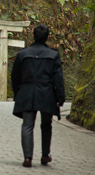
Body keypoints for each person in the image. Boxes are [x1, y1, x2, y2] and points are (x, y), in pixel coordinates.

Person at [11, 24, 65, 168]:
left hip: (27, 92)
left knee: (27, 125)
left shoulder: (22, 54)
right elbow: (58, 78)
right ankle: (45, 155)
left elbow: (15, 76)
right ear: (47, 37)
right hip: (47, 93)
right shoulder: (53, 55)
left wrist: (17, 92)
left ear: (33, 36)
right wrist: (61, 97)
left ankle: (27, 158)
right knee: (46, 125)